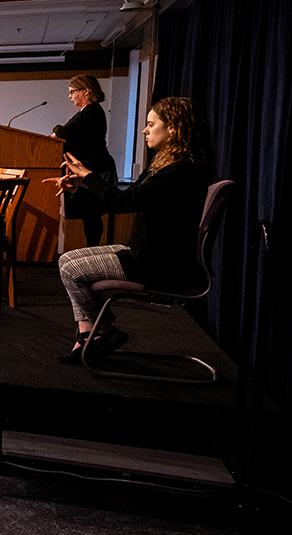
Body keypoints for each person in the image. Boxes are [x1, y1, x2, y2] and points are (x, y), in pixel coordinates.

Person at [52, 97, 211, 364]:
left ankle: (101, 332)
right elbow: (122, 200)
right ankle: (87, 338)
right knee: (68, 260)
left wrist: (88, 176)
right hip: (147, 254)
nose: (145, 130)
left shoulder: (180, 171)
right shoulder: (166, 165)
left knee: (71, 269)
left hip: (157, 265)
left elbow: (124, 202)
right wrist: (81, 188)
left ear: (173, 128)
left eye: (151, 124)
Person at [53, 74, 117, 247]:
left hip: (97, 168)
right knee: (89, 213)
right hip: (87, 168)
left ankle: (92, 250)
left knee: (92, 212)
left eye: (73, 92)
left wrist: (57, 130)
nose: (70, 96)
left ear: (86, 91)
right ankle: (90, 249)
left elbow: (64, 132)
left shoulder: (92, 111)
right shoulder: (85, 112)